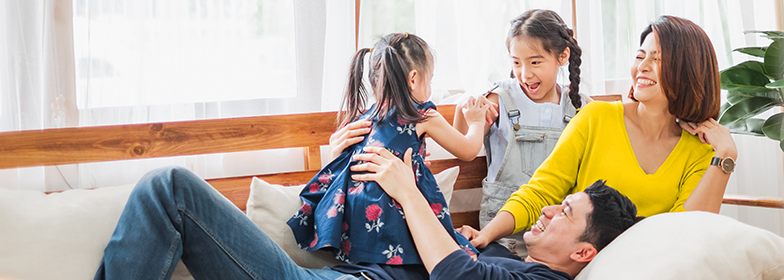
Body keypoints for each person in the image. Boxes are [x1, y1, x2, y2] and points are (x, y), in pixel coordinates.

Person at [94, 145, 641, 279]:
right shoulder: (509, 257)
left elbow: (455, 274)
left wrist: (406, 189)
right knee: (168, 190)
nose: (546, 210)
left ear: (583, 252)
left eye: (565, 212)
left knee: (171, 187)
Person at [462, 15, 738, 250]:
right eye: (640, 56)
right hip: (575, 263)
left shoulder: (700, 150)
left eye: (657, 59)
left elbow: (688, 231)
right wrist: (487, 234)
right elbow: (541, 191)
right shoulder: (596, 116)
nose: (642, 66)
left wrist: (725, 158)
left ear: (688, 71)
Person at [286, 32, 493, 265]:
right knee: (460, 253)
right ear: (413, 78)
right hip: (395, 214)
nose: (431, 87)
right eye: (431, 79)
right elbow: (467, 150)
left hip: (358, 223)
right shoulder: (421, 115)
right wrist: (476, 121)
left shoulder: (364, 118)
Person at [451, 9, 590, 228]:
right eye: (517, 63)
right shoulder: (500, 99)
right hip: (501, 232)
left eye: (535, 63)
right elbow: (463, 146)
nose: (525, 74)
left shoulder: (580, 107)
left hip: (557, 231)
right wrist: (465, 109)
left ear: (562, 56)